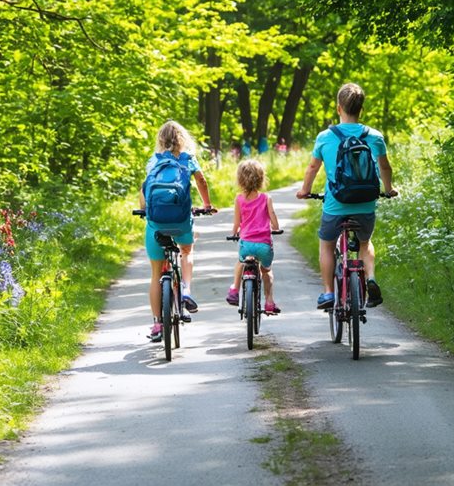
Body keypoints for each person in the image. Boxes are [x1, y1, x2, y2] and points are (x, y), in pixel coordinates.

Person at [295, 82, 398, 309]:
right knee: (365, 242)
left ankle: (329, 293)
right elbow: (385, 168)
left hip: (335, 205)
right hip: (365, 204)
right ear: (361, 109)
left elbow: (312, 168)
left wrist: (305, 191)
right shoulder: (375, 136)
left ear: (338, 107)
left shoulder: (325, 137)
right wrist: (389, 189)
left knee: (327, 244)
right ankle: (370, 278)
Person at [140, 120, 214, 343]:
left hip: (155, 224)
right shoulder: (188, 159)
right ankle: (186, 289)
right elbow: (201, 181)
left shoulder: (154, 161)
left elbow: (144, 188)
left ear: (160, 139)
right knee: (187, 250)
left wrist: (145, 211)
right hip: (181, 221)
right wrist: (207, 205)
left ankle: (156, 323)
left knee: (155, 275)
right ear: (182, 138)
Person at [226, 159, 282, 314]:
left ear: (240, 179)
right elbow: (272, 215)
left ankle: (235, 289)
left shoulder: (239, 199)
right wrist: (276, 228)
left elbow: (237, 222)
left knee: (240, 262)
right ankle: (269, 302)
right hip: (264, 245)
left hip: (247, 244)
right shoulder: (266, 198)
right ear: (261, 178)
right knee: (267, 271)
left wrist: (234, 233)